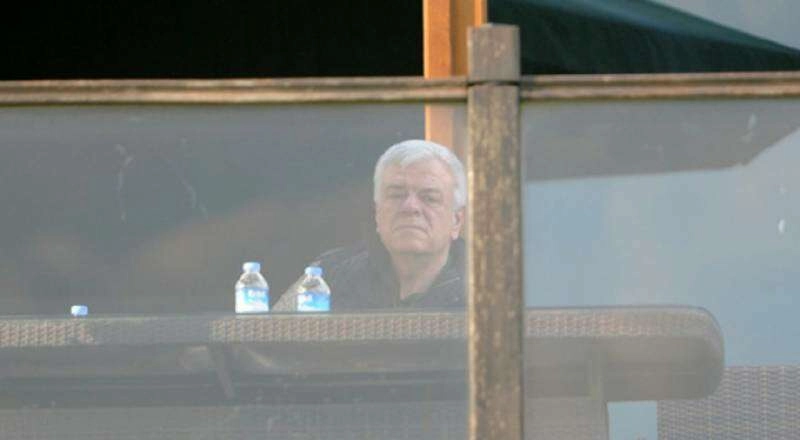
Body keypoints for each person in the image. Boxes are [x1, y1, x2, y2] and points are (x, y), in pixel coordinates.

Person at [274, 139, 466, 310]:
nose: (410, 207)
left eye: (429, 198)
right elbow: (269, 334)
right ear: (377, 214)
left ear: (456, 221)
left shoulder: (481, 286)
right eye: (396, 195)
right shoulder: (329, 275)